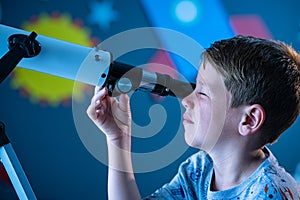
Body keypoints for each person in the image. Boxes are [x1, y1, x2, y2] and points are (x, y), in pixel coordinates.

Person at [87, 36, 300, 199]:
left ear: (249, 120)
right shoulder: (200, 169)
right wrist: (118, 140)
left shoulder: (270, 193)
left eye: (202, 93)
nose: (186, 101)